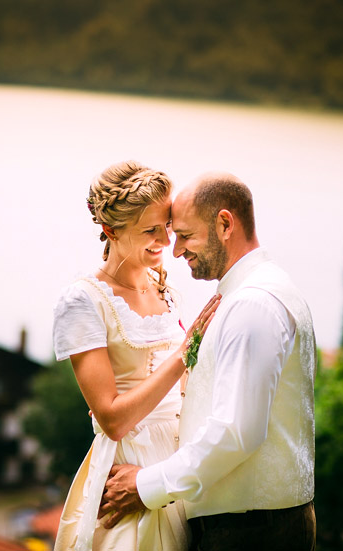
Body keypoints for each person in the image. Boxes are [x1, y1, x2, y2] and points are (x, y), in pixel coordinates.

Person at [99, 172, 318, 551]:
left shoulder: (252, 304)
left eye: (185, 235)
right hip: (252, 526)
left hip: (250, 534)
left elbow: (236, 432)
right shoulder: (251, 294)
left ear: (224, 223)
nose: (176, 249)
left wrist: (146, 485)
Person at [52, 160, 220, 551]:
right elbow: (111, 419)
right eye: (150, 230)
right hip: (128, 463)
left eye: (168, 225)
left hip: (177, 462)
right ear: (110, 230)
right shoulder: (83, 300)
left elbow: (184, 388)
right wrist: (186, 349)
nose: (166, 241)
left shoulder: (166, 289)